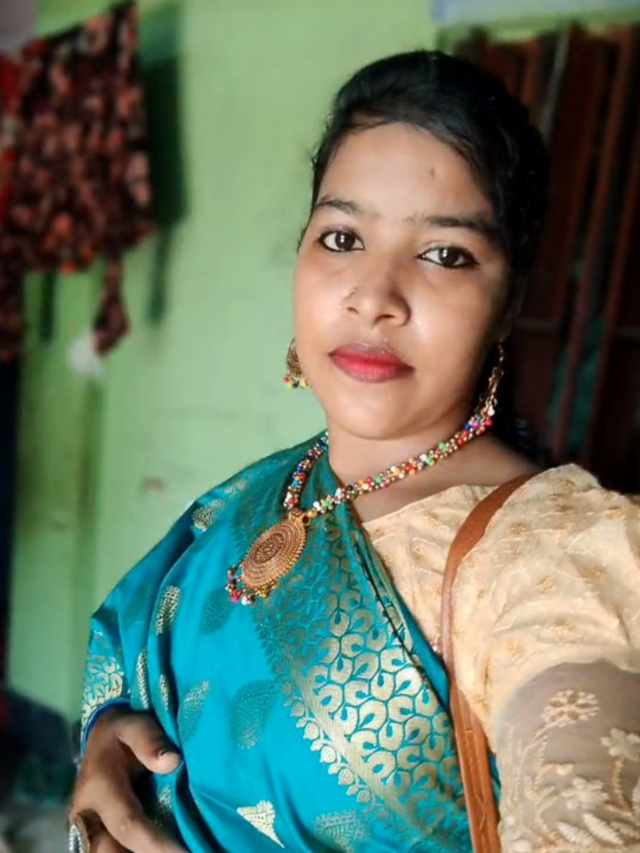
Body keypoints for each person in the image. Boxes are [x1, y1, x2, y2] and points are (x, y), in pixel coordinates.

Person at [69, 50, 640, 853]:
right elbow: (132, 672)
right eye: (342, 237)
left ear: (508, 301)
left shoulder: (548, 555)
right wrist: (108, 748)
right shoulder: (268, 489)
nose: (374, 296)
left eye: (445, 253)